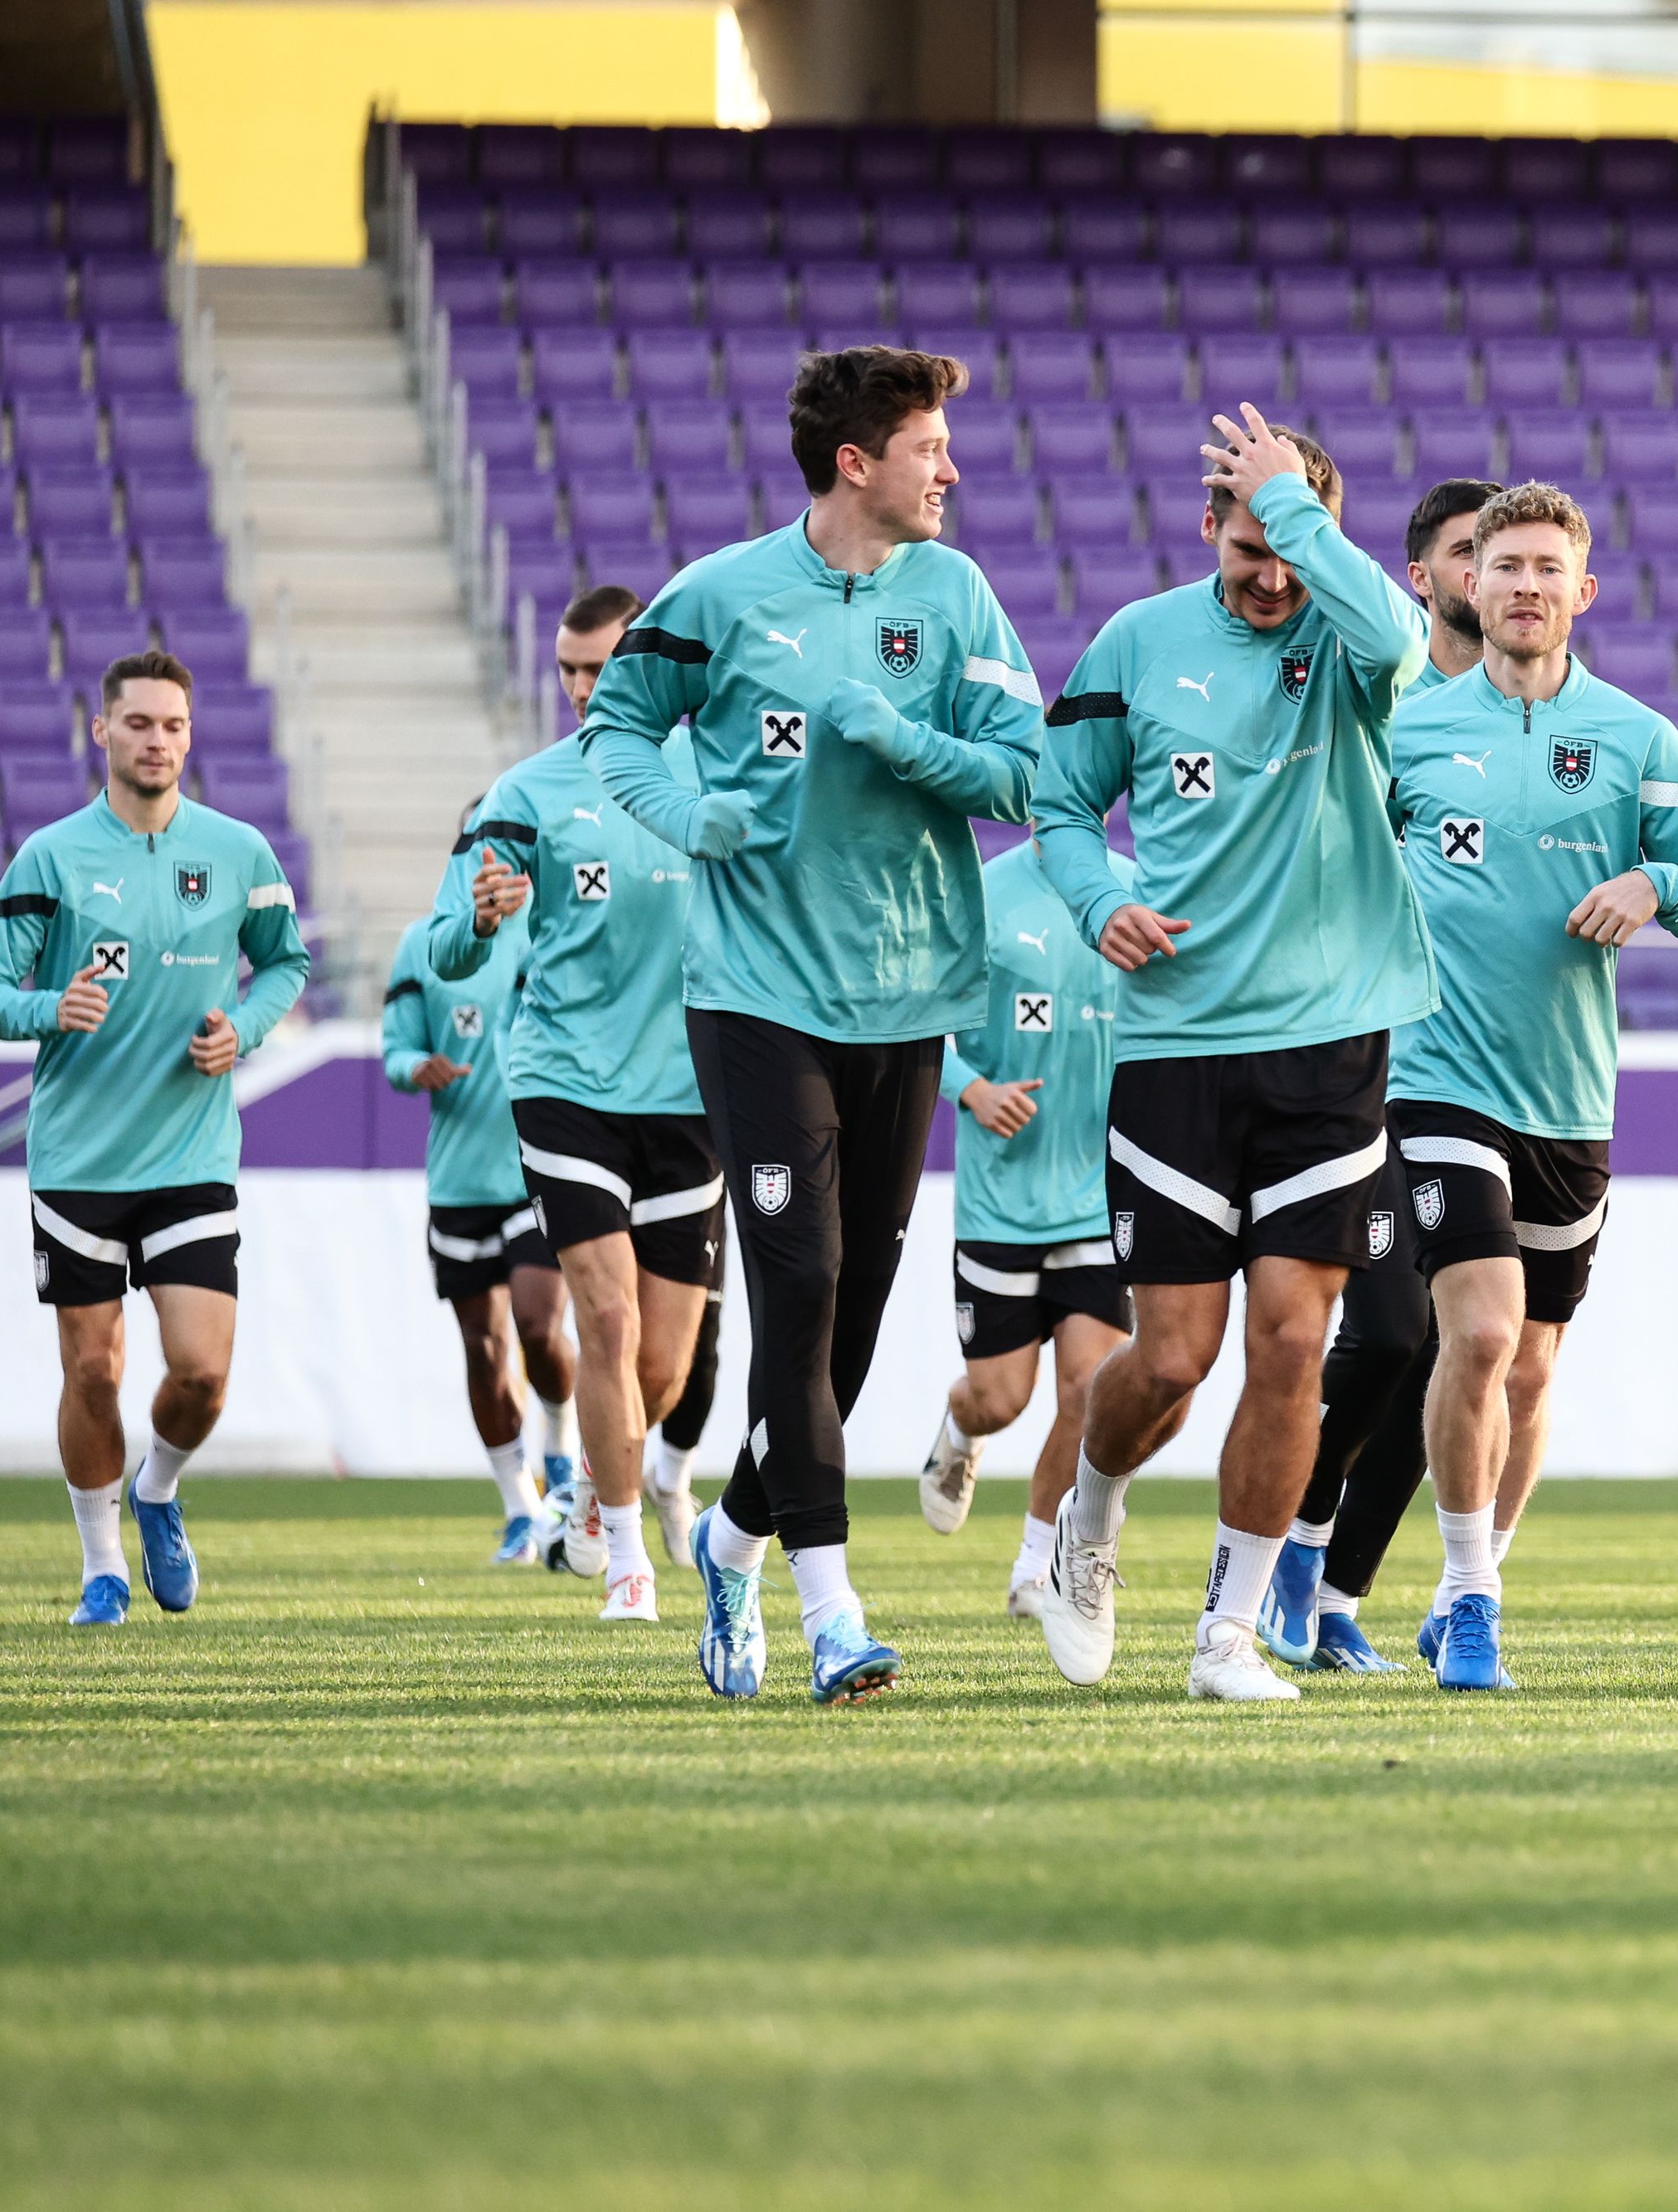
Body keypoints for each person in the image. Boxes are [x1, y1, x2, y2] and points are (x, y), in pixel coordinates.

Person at [583, 346, 1043, 1706]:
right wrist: (685, 813)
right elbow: (620, 724)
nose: (950, 470)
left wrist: (910, 746)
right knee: (797, 1283)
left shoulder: (957, 595)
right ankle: (833, 1608)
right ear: (858, 462)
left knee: (843, 1325)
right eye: (929, 447)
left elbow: (1027, 775)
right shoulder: (721, 596)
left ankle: (728, 1542)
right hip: (754, 998)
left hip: (907, 998)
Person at [1030, 404, 1437, 1704]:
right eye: (1248, 543)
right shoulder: (1140, 643)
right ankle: (1087, 1519)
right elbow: (1058, 803)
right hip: (1175, 1046)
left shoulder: (1347, 631)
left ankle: (1229, 1632)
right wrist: (1100, 902)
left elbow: (1407, 638)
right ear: (1209, 527)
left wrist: (1308, 521)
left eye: (1290, 548)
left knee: (1292, 1344)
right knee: (1171, 1356)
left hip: (1328, 1044)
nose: (1270, 573)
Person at [1374, 480, 1678, 1690]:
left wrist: (1656, 886)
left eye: (1548, 568)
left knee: (1531, 1365)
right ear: (1464, 584)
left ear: (1581, 592)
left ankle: (1463, 1576)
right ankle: (1476, 1601)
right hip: (1435, 1077)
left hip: (1570, 1098)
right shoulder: (1407, 732)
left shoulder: (1639, 737)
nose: (1525, 586)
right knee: (1477, 1333)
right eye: (1504, 565)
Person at [0, 650, 310, 1624]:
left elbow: (287, 963)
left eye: (174, 726)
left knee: (200, 1375)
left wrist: (247, 1026)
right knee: (94, 1370)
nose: (158, 741)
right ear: (102, 733)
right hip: (78, 1162)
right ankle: (102, 1567)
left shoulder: (238, 852)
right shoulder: (53, 858)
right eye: (140, 724)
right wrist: (47, 1009)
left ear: (190, 737)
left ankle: (156, 1488)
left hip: (192, 1157)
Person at [434, 583, 718, 1626]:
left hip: (691, 1098)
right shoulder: (526, 793)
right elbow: (446, 948)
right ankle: (628, 1563)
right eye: (569, 669)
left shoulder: (718, 777)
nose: (583, 688)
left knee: (662, 1365)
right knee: (603, 1316)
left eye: (602, 667)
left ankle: (593, 1501)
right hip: (565, 1087)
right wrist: (473, 921)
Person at [1261, 474, 1500, 1673]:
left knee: (1454, 1345)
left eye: (1507, 554)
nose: (1488, 573)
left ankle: (1335, 1591)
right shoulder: (1380, 703)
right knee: (1398, 1325)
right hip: (1371, 1066)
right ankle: (1291, 1552)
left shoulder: (1568, 727)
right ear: (1420, 575)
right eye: (1468, 551)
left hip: (1496, 1085)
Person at [914, 833, 1131, 1630]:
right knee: (1000, 1398)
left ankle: (1037, 1563)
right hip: (1001, 1204)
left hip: (1102, 1203)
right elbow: (910, 1014)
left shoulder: (1139, 891)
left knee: (1089, 1391)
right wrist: (971, 1088)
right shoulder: (980, 893)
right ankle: (960, 1426)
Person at [380, 803, 578, 1563]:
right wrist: (415, 1068)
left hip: (537, 1165)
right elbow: (397, 1046)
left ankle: (560, 1449)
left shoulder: (557, 929)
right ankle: (520, 1506)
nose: (495, 857)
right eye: (481, 845)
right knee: (484, 1347)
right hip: (459, 1176)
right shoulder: (421, 945)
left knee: (537, 1325)